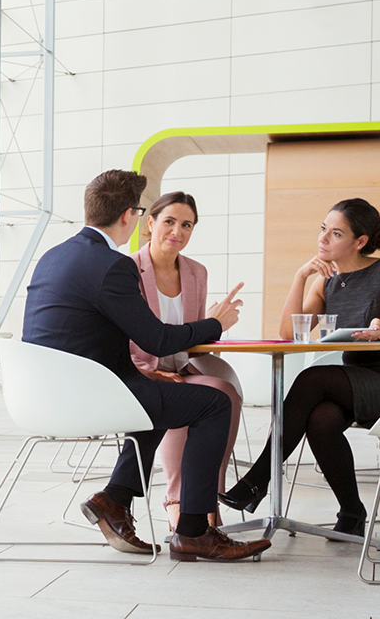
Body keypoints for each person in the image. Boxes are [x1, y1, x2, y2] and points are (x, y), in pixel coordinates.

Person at [21, 169, 268, 562]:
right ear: (131, 216)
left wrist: (143, 371)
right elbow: (158, 339)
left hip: (44, 394)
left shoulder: (55, 255)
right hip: (87, 396)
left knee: (155, 396)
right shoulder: (112, 265)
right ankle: (193, 531)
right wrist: (216, 323)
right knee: (213, 403)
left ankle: (115, 499)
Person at [220, 198, 380, 538]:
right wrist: (301, 276)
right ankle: (353, 514)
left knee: (312, 378)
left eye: (336, 233)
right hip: (355, 382)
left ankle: (257, 481)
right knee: (321, 420)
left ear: (360, 242)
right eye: (323, 229)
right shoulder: (324, 281)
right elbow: (288, 333)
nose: (324, 239)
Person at [130, 192, 244, 531]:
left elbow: (194, 339)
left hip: (181, 364)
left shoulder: (196, 272)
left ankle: (207, 497)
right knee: (189, 398)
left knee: (225, 391)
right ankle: (178, 500)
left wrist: (213, 322)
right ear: (150, 224)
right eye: (169, 222)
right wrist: (151, 370)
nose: (176, 231)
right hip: (140, 369)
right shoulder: (129, 270)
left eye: (186, 225)